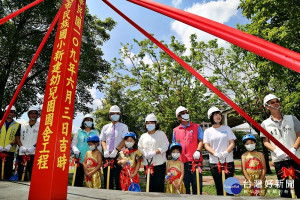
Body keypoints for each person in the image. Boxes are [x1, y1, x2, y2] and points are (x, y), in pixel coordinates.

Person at [260, 94, 300, 198]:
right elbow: (266, 142)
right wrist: (277, 151)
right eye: (272, 102)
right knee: (284, 190)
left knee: (299, 187)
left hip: (296, 158)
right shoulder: (265, 124)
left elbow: (299, 136)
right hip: (279, 159)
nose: (276, 103)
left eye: (277, 101)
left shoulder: (292, 118)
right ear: (267, 106)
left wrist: (294, 149)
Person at [203, 106, 236, 196]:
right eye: (215, 115)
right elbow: (206, 145)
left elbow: (232, 143)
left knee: (230, 187)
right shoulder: (208, 131)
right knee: (219, 187)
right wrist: (215, 153)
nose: (218, 116)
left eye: (219, 114)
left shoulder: (227, 129)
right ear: (211, 117)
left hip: (228, 161)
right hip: (214, 162)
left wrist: (226, 152)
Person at [172, 106, 203, 194]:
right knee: (185, 188)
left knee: (197, 187)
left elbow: (201, 140)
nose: (186, 114)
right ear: (178, 117)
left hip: (195, 162)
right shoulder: (175, 130)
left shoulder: (197, 127)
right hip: (181, 163)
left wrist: (198, 151)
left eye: (186, 112)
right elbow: (174, 146)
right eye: (183, 113)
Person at [138, 113, 169, 193]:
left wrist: (155, 152)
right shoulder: (143, 136)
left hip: (159, 164)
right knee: (149, 186)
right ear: (145, 124)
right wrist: (144, 152)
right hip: (147, 165)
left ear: (156, 123)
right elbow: (139, 147)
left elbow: (166, 146)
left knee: (159, 187)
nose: (150, 124)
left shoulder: (161, 134)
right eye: (148, 123)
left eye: (152, 122)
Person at [100, 105, 128, 190]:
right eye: (113, 114)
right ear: (109, 115)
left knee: (119, 180)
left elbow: (125, 140)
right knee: (107, 179)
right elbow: (103, 140)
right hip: (107, 155)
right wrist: (105, 150)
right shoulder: (105, 127)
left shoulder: (123, 126)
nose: (115, 115)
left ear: (119, 115)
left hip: (119, 156)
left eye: (117, 114)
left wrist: (116, 150)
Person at [71, 114, 100, 187]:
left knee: (92, 182)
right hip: (80, 160)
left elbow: (99, 146)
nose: (89, 121)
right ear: (83, 121)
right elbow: (73, 143)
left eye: (90, 120)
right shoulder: (79, 131)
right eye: (87, 120)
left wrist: (99, 157)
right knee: (77, 180)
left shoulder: (96, 132)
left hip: (92, 161)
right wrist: (75, 150)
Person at [15, 106, 40, 181]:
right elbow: (17, 136)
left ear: (37, 115)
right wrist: (21, 146)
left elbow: (42, 138)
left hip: (34, 154)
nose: (33, 115)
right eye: (31, 113)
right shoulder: (22, 125)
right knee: (21, 175)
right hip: (22, 154)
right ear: (28, 115)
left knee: (34, 175)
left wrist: (34, 147)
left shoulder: (42, 125)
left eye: (35, 113)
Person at [0, 105, 20, 179]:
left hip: (10, 151)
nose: (9, 113)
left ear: (14, 114)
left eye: (12, 112)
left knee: (7, 172)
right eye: (7, 111)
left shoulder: (18, 125)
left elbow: (18, 137)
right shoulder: (0, 123)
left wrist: (10, 145)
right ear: (4, 112)